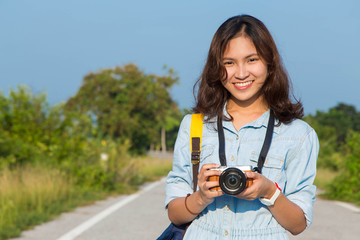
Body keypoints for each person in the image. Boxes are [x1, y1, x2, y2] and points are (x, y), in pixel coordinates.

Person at [165, 14, 319, 240]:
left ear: (269, 62)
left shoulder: (298, 135)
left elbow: (298, 224)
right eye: (229, 63)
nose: (241, 73)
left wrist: (268, 191)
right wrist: (202, 197)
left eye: (252, 60)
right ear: (217, 68)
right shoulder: (194, 126)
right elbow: (175, 214)